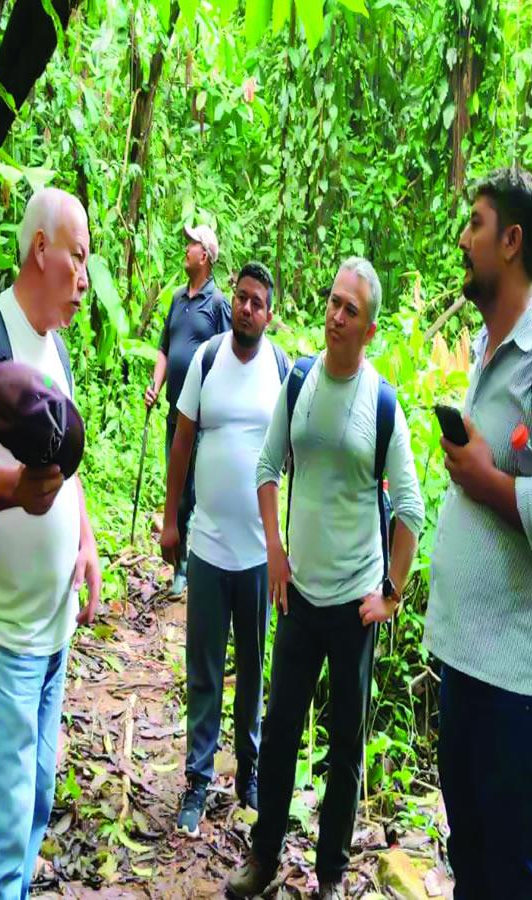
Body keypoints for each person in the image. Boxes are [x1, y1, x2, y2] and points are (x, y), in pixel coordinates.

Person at [427, 167, 532, 899]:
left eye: (475, 224)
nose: (464, 238)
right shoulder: (485, 350)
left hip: (517, 682)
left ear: (512, 241)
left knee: (519, 878)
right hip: (464, 661)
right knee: (471, 857)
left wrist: (484, 479)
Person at [227, 258, 425, 900]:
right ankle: (264, 859)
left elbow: (411, 509)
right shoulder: (300, 381)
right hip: (299, 595)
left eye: (351, 311)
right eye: (333, 303)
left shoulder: (382, 403)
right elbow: (266, 466)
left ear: (369, 331)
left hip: (354, 607)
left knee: (345, 749)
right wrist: (276, 553)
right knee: (280, 728)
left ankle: (332, 874)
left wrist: (391, 593)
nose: (336, 317)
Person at [0, 187, 102, 900]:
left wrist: (86, 544)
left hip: (53, 623)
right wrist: (12, 491)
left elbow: (64, 469)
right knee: (7, 818)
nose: (84, 279)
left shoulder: (55, 347)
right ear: (41, 249)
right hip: (7, 628)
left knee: (37, 793)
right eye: (78, 257)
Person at [159, 262, 288, 836]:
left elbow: (293, 457)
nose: (246, 308)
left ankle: (249, 773)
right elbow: (182, 442)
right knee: (205, 668)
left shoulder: (281, 369)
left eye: (258, 302)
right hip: (208, 546)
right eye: (240, 298)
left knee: (253, 668)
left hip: (260, 553)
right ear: (230, 300)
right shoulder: (207, 359)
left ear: (269, 313)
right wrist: (171, 523)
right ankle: (197, 777)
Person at [144, 223, 232, 595]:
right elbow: (166, 347)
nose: (186, 249)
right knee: (177, 488)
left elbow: (229, 355)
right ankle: (181, 566)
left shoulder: (218, 304)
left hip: (204, 420)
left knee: (197, 493)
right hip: (174, 414)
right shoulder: (178, 298)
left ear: (206, 256)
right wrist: (155, 385)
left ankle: (194, 567)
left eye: (192, 244)